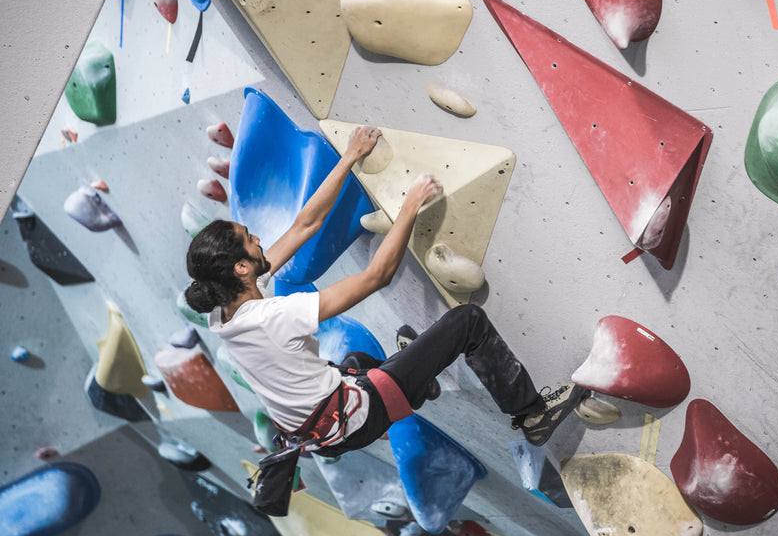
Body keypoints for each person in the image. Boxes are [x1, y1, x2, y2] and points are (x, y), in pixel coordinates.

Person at [184, 126, 590, 455]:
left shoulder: (224, 305)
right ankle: (532, 414)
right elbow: (376, 276)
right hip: (353, 420)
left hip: (314, 431)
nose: (257, 238)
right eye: (248, 238)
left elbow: (303, 226)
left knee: (359, 358)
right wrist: (411, 205)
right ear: (240, 269)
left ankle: (419, 375)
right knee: (468, 323)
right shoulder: (270, 316)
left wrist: (349, 157)